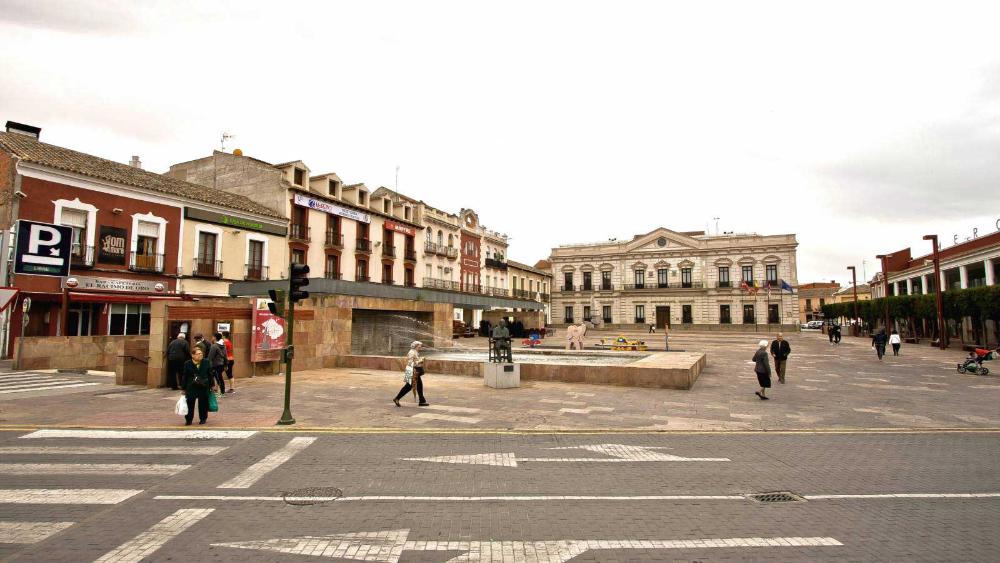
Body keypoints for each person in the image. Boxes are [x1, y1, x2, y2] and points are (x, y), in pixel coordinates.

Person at [181, 346, 217, 425]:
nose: (200, 355)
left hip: (204, 385)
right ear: (193, 355)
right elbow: (185, 376)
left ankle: (203, 418)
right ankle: (189, 419)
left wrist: (212, 385)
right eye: (198, 354)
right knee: (190, 403)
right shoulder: (188, 363)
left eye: (201, 353)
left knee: (203, 403)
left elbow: (210, 374)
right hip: (191, 386)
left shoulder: (206, 362)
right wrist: (183, 388)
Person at [393, 341, 428, 407]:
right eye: (419, 345)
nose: (421, 346)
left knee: (419, 385)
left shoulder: (415, 352)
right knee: (408, 386)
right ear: (416, 346)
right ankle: (397, 398)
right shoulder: (412, 352)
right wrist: (420, 360)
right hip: (412, 371)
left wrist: (419, 360)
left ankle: (422, 401)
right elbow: (410, 363)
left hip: (414, 371)